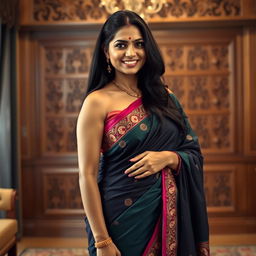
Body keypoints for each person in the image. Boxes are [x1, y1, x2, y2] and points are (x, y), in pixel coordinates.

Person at [76, 10, 209, 256]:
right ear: (106, 51)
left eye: (139, 44)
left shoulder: (166, 98)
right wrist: (102, 240)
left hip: (169, 213)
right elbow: (86, 175)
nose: (131, 53)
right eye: (121, 45)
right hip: (120, 216)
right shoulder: (97, 102)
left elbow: (192, 151)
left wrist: (169, 158)